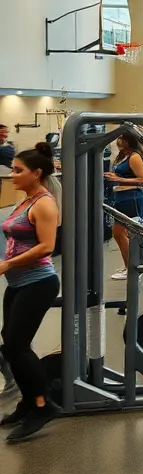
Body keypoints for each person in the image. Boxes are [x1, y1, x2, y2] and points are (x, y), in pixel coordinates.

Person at [0, 143, 61, 441]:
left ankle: (42, 405)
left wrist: (8, 263)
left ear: (36, 173)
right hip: (17, 283)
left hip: (38, 282)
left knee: (17, 345)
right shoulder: (25, 201)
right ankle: (27, 402)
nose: (12, 175)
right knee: (10, 343)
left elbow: (47, 246)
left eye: (18, 170)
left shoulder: (45, 203)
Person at [105, 132, 143, 280]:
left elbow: (142, 179)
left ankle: (131, 267)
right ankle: (130, 265)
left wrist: (118, 178)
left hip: (132, 198)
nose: (119, 142)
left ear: (129, 140)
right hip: (122, 197)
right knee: (120, 233)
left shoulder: (135, 157)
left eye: (122, 139)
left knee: (121, 233)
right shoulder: (124, 156)